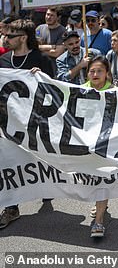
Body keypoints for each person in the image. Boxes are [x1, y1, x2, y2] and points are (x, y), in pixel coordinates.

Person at [0, 19, 55, 230]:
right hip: (9, 123)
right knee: (8, 161)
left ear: (23, 38)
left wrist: (40, 78)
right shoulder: (4, 60)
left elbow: (55, 91)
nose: (6, 38)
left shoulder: (40, 59)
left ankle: (47, 186)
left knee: (40, 158)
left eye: (11, 35)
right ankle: (11, 207)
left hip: (36, 123)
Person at [82, 55, 113, 238]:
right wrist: (36, 77)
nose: (95, 74)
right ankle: (99, 204)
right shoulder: (79, 90)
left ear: (106, 73)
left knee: (102, 180)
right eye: (92, 70)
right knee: (90, 180)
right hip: (84, 146)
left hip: (105, 146)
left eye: (99, 70)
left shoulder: (115, 92)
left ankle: (99, 221)